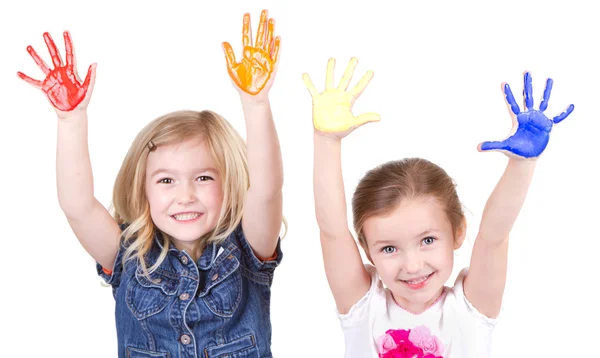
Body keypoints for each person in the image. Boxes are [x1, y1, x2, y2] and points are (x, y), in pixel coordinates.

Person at [17, 9, 285, 358]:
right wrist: (71, 119)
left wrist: (256, 103)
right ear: (142, 189)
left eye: (203, 178)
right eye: (166, 181)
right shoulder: (127, 254)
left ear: (230, 182)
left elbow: (266, 190)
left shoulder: (248, 249)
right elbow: (77, 206)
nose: (185, 195)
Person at [303, 57, 574, 357]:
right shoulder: (363, 308)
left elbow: (494, 236)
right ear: (367, 251)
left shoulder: (471, 310)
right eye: (389, 249)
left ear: (458, 232)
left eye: (427, 240)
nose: (413, 265)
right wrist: (326, 141)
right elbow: (332, 231)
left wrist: (522, 166)